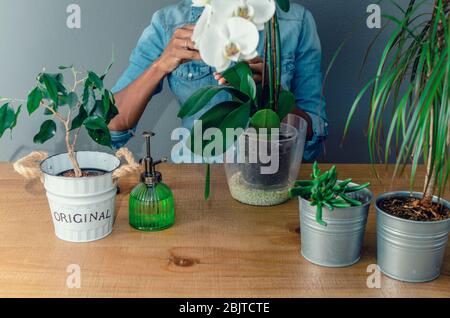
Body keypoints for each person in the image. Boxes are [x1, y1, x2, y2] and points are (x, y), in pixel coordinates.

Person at [108, 0, 328, 160]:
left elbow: (312, 139)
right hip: (197, 172)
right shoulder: (169, 24)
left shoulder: (293, 22)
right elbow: (112, 127)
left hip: (268, 175)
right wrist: (161, 64)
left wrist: (272, 95)